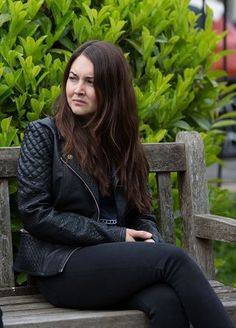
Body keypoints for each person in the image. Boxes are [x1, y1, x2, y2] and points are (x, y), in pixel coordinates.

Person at [14, 40, 234, 328]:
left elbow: (140, 214)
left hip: (115, 264)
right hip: (63, 265)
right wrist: (117, 236)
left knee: (166, 303)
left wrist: (149, 239)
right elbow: (35, 214)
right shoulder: (43, 135)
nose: (77, 89)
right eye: (73, 78)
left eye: (90, 82)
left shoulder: (123, 144)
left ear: (112, 90)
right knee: (174, 260)